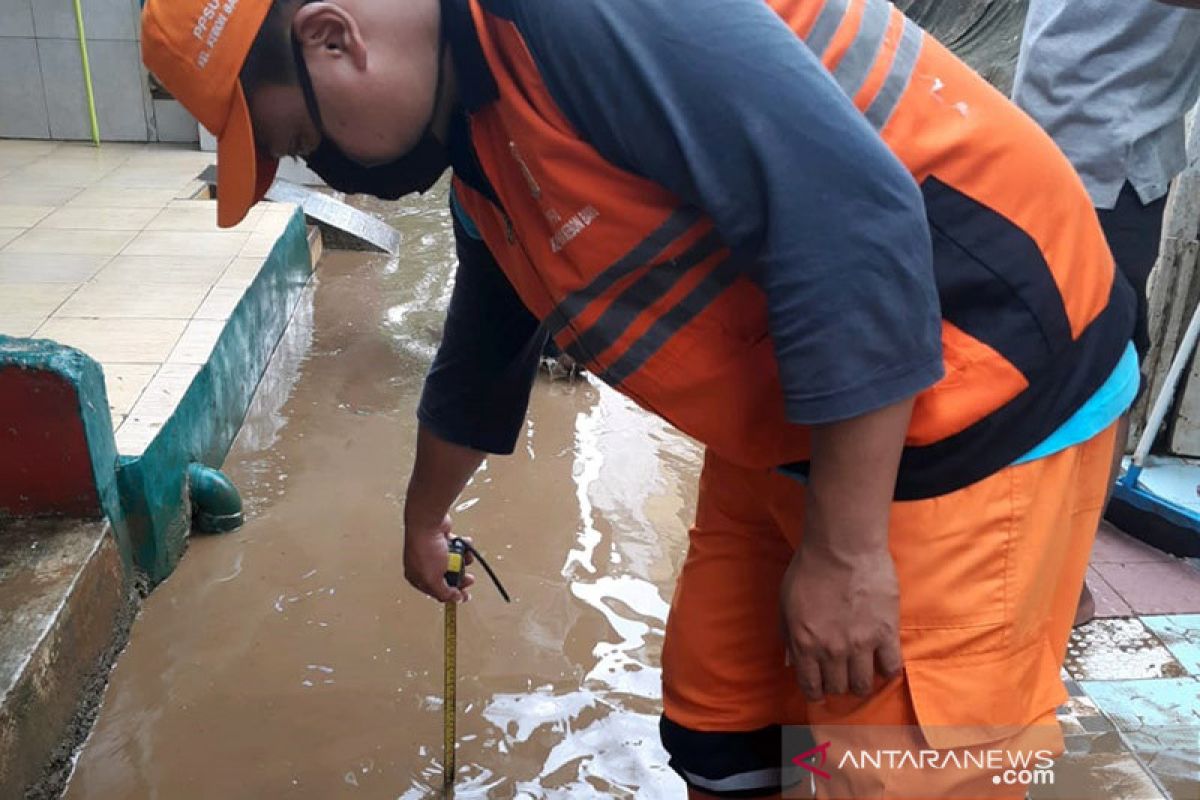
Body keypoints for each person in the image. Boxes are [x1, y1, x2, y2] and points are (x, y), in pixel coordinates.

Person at [141, 0, 1137, 796]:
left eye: (309, 142)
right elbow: (485, 345)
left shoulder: (583, 19)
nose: (339, 178)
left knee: (897, 772)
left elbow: (852, 217)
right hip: (795, 419)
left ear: (331, 37)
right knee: (722, 723)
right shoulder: (480, 131)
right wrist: (424, 513)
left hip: (978, 382)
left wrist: (845, 551)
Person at [1013, 0, 1200, 625]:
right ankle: (1059, 581)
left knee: (1082, 358)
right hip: (1095, 148)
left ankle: (1054, 573)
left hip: (1077, 133)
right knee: (1101, 366)